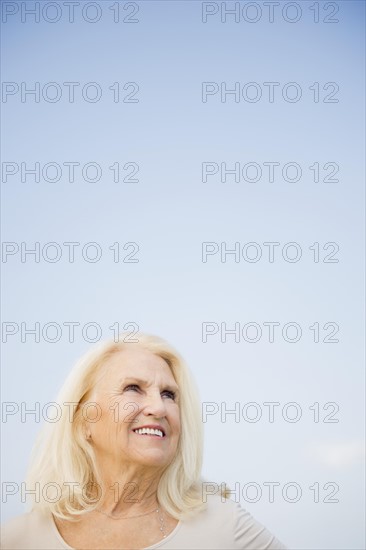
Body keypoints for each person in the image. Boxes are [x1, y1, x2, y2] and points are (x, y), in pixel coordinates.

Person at [1, 333, 288, 549]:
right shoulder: (18, 539)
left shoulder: (225, 526)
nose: (159, 408)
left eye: (169, 394)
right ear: (84, 420)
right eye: (133, 388)